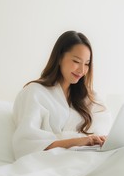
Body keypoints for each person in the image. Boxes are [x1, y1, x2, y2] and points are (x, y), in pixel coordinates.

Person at [12, 31, 110, 159]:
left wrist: (100, 140)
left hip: (88, 158)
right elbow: (25, 145)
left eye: (86, 64)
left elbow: (104, 130)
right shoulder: (34, 92)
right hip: (52, 160)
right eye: (76, 61)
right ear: (59, 58)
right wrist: (78, 141)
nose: (82, 70)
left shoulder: (90, 98)